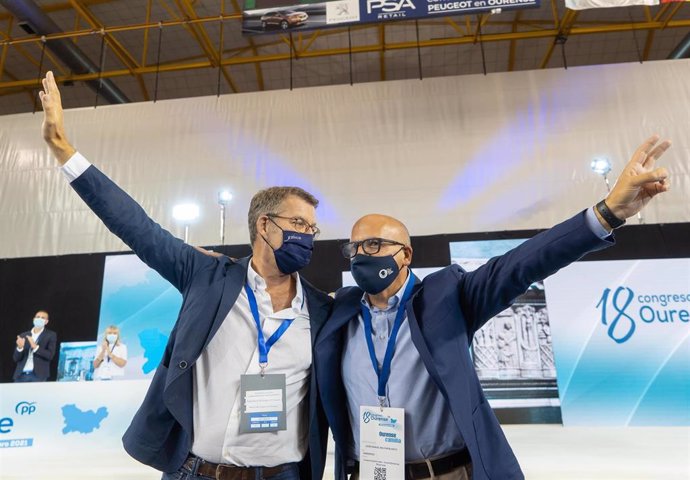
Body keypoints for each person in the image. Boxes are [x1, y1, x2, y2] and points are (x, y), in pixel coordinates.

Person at [315, 135, 672, 480]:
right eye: (354, 248)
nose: (361, 255)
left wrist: (607, 213)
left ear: (405, 254)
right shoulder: (339, 312)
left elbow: (522, 265)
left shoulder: (445, 298)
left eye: (375, 244)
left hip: (447, 472)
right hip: (369, 472)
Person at [39, 71, 332, 480]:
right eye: (299, 223)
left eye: (313, 229)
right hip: (195, 471)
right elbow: (136, 226)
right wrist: (62, 148)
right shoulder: (207, 275)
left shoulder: (322, 311)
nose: (309, 235)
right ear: (265, 225)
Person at [13, 310, 57, 382]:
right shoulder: (23, 335)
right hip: (20, 375)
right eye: (38, 317)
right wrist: (20, 348)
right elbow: (16, 358)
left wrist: (35, 347)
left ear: (46, 322)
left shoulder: (51, 335)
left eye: (43, 318)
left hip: (38, 375)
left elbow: (50, 355)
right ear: (34, 319)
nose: (39, 319)